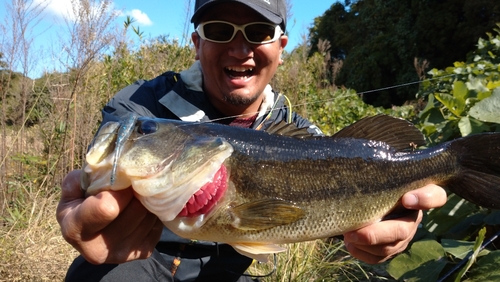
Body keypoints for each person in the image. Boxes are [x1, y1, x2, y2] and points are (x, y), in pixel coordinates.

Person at [56, 0, 448, 281]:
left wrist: (390, 225)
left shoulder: (304, 136)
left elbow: (328, 220)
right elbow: (103, 178)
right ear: (197, 43)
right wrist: (87, 209)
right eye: (220, 30)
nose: (240, 49)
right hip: (135, 264)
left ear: (281, 47)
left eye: (258, 32)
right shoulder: (140, 109)